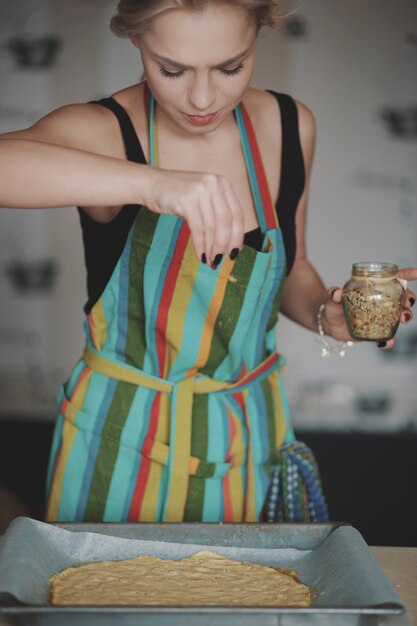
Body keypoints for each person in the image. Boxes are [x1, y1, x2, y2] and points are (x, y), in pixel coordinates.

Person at [0, 0, 416, 524]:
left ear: (259, 36)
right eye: (172, 70)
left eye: (230, 67)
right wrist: (153, 183)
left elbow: (292, 268)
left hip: (245, 441)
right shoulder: (106, 132)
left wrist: (326, 315)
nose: (201, 98)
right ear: (138, 43)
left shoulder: (289, 125)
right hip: (122, 444)